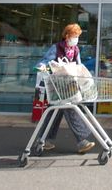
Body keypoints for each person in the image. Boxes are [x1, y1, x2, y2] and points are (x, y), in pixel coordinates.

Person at [39, 23, 96, 154]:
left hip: (69, 86)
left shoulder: (76, 50)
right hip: (57, 85)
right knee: (70, 110)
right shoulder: (56, 48)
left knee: (54, 113)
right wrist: (47, 68)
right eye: (74, 36)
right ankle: (82, 141)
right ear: (67, 36)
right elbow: (42, 63)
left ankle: (45, 140)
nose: (76, 39)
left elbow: (79, 66)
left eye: (77, 36)